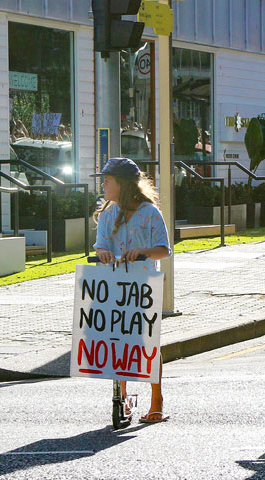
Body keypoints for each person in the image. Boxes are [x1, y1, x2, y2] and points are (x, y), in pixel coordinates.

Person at [91, 157, 172, 423]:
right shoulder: (107, 213)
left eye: (108, 181)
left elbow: (164, 250)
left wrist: (142, 251)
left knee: (148, 342)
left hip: (143, 286)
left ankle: (156, 400)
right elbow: (101, 244)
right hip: (115, 285)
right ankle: (122, 397)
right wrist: (102, 252)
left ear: (123, 185)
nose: (103, 185)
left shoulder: (150, 212)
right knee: (117, 341)